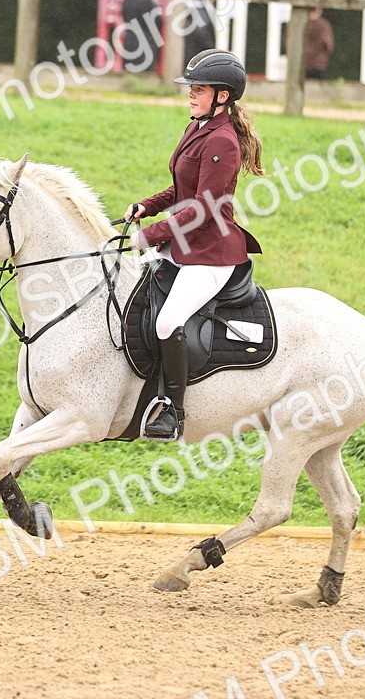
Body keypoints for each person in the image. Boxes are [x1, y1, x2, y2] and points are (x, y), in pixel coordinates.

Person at [123, 49, 264, 439]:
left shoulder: (223, 141)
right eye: (191, 88)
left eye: (198, 89)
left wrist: (150, 235)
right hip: (184, 244)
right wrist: (146, 207)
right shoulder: (197, 128)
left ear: (223, 95)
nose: (190, 95)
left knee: (169, 321)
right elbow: (183, 188)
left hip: (211, 253)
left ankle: (173, 409)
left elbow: (203, 206)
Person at [301, 8, 336, 79]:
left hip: (300, 65)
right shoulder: (323, 25)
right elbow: (328, 45)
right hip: (318, 65)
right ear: (319, 10)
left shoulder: (299, 24)